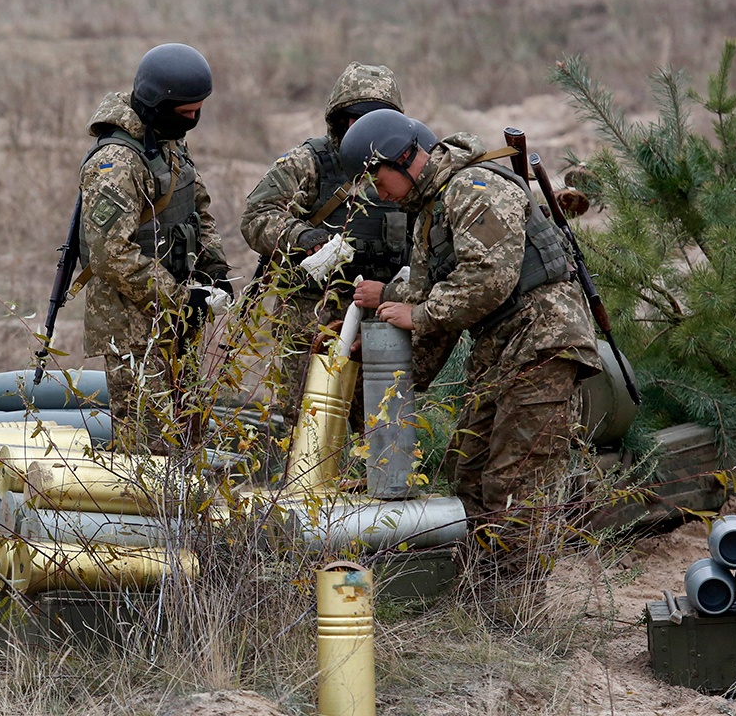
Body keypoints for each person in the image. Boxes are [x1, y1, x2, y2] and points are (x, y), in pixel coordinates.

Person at [340, 109, 602, 529]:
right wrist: (374, 378)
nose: (378, 193)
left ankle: (514, 595)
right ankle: (479, 591)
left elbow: (487, 280)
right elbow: (432, 323)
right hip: (502, 352)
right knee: (469, 477)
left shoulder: (473, 188)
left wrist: (418, 314)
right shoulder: (430, 214)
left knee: (513, 493)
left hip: (541, 345)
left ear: (401, 157)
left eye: (376, 178)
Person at [77, 43, 233, 454]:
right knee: (150, 448)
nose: (194, 121)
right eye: (185, 114)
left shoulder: (167, 140)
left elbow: (197, 209)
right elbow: (110, 254)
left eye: (199, 111)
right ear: (156, 105)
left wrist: (215, 269)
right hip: (133, 328)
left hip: (175, 316)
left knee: (188, 437)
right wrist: (182, 298)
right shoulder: (115, 163)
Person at [238, 62, 411, 430]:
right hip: (311, 319)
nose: (359, 128)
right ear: (338, 119)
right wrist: (303, 238)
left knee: (383, 429)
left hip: (382, 318)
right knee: (304, 427)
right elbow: (257, 217)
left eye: (373, 119)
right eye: (352, 117)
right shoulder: (309, 162)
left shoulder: (407, 165)